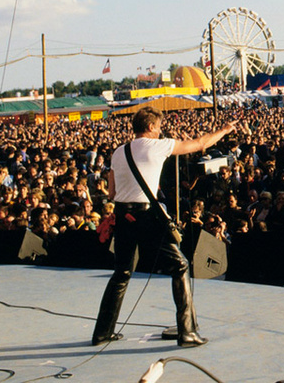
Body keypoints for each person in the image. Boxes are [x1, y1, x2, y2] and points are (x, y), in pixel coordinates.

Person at [91, 107, 237, 348]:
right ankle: (187, 332)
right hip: (145, 215)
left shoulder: (119, 151)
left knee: (122, 272)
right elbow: (200, 144)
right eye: (158, 127)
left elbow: (113, 192)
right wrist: (225, 130)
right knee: (180, 266)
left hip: (122, 214)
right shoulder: (156, 146)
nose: (160, 131)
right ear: (150, 127)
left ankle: (102, 332)